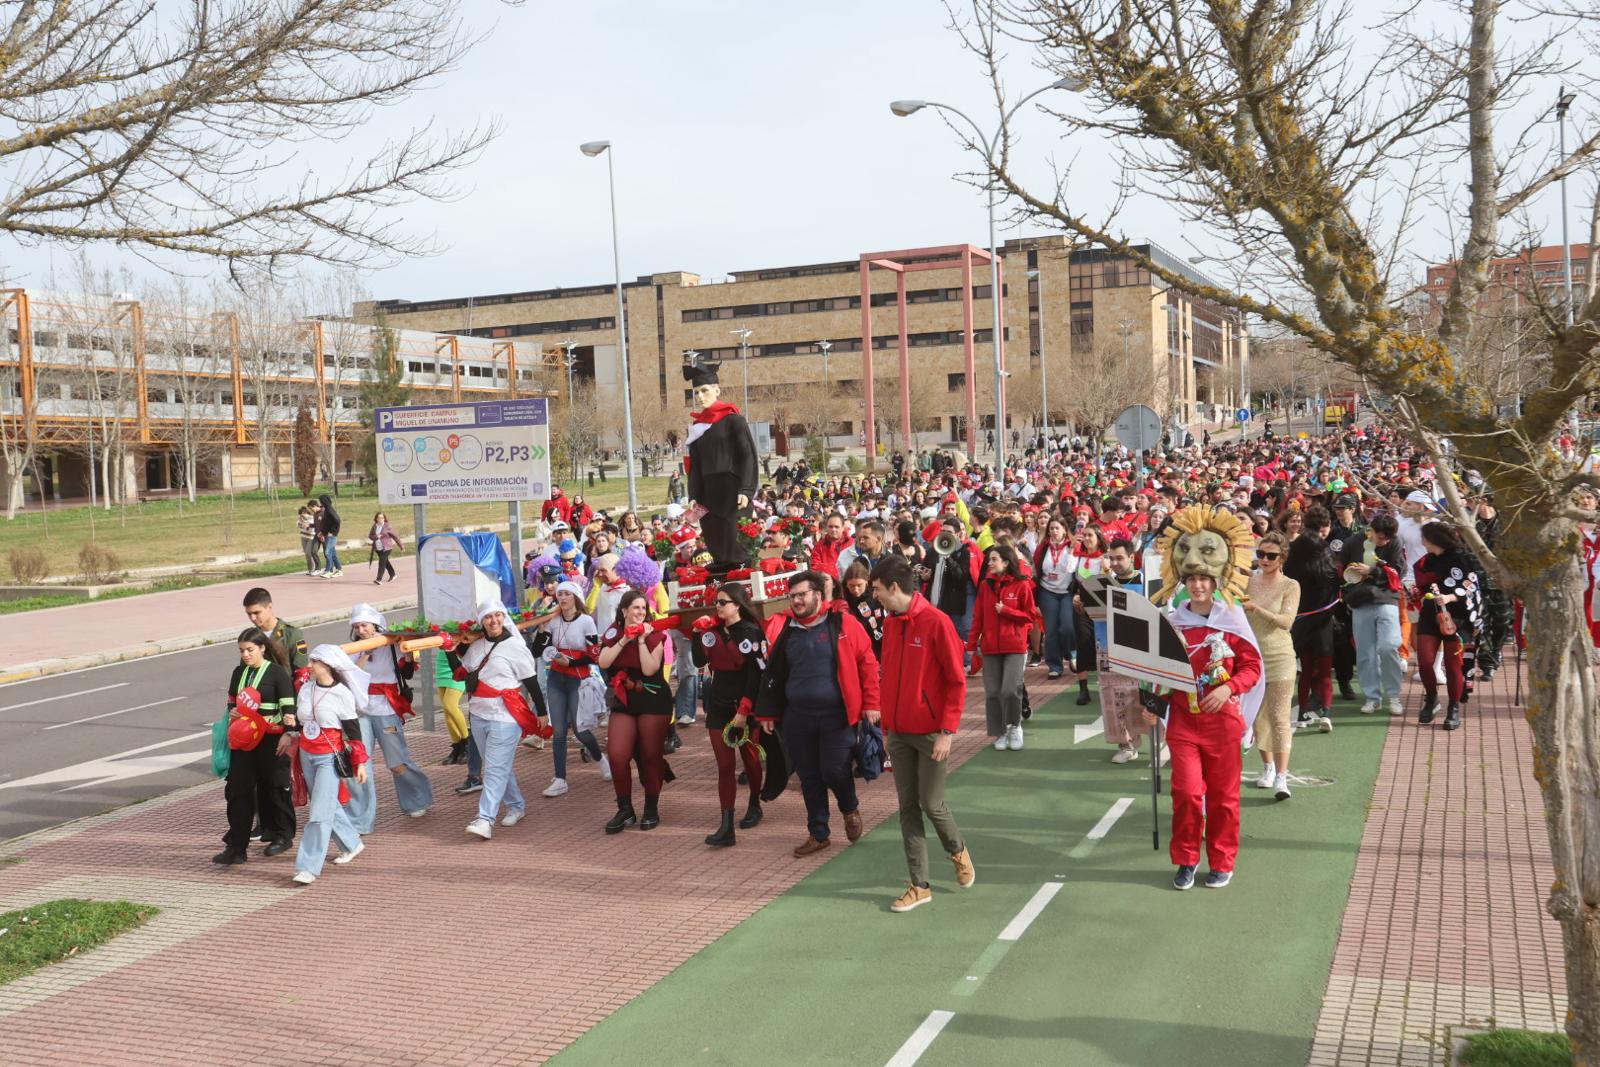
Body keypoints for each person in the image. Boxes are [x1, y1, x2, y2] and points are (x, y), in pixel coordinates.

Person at [870, 557, 974, 912]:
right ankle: (920, 885)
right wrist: (887, 728)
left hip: (931, 733)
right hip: (898, 733)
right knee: (907, 808)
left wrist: (947, 730)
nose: (875, 596)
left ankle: (957, 850)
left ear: (894, 587)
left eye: (877, 589)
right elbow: (888, 678)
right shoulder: (892, 624)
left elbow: (956, 681)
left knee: (932, 804)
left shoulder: (936, 622)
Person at [755, 569, 881, 858]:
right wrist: (768, 712)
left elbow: (868, 663)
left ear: (818, 594)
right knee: (809, 777)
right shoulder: (787, 631)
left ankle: (849, 808)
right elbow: (773, 674)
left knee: (835, 770)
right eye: (793, 596)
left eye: (802, 595)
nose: (797, 601)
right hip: (798, 717)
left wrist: (872, 703)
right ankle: (818, 833)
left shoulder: (843, 623)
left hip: (837, 715)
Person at [446, 600, 545, 840]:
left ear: (503, 617)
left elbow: (531, 682)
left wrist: (542, 712)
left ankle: (485, 819)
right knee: (498, 765)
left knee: (493, 768)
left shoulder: (515, 647)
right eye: (488, 618)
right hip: (479, 714)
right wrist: (450, 650)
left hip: (505, 716)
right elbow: (461, 674)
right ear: (482, 622)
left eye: (498, 616)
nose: (494, 621)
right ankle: (516, 805)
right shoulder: (477, 646)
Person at [689, 582, 767, 847]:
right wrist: (695, 634)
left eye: (723, 602)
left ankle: (755, 803)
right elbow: (700, 661)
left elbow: (756, 674)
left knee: (751, 760)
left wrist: (744, 710)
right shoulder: (711, 631)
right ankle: (726, 825)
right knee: (725, 766)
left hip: (745, 704)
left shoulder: (751, 631)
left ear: (737, 605)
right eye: (717, 602)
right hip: (719, 703)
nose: (718, 606)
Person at [287, 645, 371, 884]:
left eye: (314, 661)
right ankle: (352, 843)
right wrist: (292, 722)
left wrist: (360, 764)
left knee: (318, 814)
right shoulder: (305, 689)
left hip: (328, 757)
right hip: (306, 754)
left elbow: (353, 733)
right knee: (326, 805)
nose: (309, 665)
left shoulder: (342, 694)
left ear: (327, 664)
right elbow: (302, 722)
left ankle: (308, 867)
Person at [345, 604, 433, 829]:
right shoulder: (355, 648)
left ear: (375, 624)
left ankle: (417, 799)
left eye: (364, 625)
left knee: (396, 763)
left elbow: (406, 671)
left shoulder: (391, 643)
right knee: (359, 763)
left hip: (386, 710)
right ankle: (361, 820)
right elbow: (351, 674)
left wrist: (409, 654)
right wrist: (366, 652)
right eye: (357, 626)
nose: (361, 630)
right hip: (360, 711)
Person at [214, 627, 297, 865]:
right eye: (242, 651)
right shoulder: (239, 673)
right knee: (238, 790)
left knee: (274, 787)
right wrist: (233, 711)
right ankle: (237, 847)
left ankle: (282, 835)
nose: (246, 655)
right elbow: (231, 701)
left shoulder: (276, 673)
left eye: (250, 650)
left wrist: (288, 734)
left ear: (262, 648)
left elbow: (289, 709)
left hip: (272, 738)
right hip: (244, 739)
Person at [596, 590, 675, 832]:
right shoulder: (614, 632)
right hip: (625, 699)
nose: (640, 612)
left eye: (643, 608)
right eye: (635, 608)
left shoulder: (657, 635)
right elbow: (603, 662)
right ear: (624, 611)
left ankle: (651, 807)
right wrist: (624, 639)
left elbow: (650, 669)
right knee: (618, 754)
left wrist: (640, 639)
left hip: (652, 698)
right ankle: (625, 809)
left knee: (650, 755)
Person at [241, 587, 306, 843]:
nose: (253, 618)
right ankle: (262, 822)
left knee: (281, 773)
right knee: (257, 771)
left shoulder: (291, 634)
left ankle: (282, 827)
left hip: (284, 709)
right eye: (248, 614)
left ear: (270, 607)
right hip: (257, 712)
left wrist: (293, 715)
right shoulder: (251, 638)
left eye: (257, 612)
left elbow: (300, 673)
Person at [683, 361, 758, 569]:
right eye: (696, 393)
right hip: (708, 494)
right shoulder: (698, 428)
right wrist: (693, 496)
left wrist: (746, 489)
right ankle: (722, 570)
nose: (699, 397)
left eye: (704, 390)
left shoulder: (734, 420)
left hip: (732, 491)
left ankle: (741, 571)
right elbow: (695, 467)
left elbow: (747, 457)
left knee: (735, 540)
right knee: (715, 537)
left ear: (717, 390)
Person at [537, 580, 610, 797]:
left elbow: (594, 654)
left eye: (567, 594)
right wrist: (541, 632)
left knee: (580, 730)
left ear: (576, 598)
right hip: (556, 678)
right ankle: (560, 779)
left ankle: (601, 759)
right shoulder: (553, 620)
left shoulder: (587, 621)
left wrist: (572, 662)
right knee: (559, 730)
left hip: (578, 679)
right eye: (560, 594)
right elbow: (537, 650)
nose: (562, 598)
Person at [1243, 532, 1300, 799]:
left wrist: (1256, 609)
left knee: (1279, 717)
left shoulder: (1290, 585)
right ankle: (1266, 768)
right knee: (1256, 716)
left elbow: (1286, 621)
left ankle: (1281, 777)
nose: (1264, 559)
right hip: (1251, 657)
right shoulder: (1248, 582)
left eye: (1271, 555)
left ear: (1282, 558)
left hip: (1280, 657)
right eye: (1261, 554)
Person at [1412, 521, 1482, 731]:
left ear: (1434, 540)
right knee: (1424, 661)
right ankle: (1431, 699)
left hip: (1458, 619)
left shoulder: (1462, 559)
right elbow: (1420, 584)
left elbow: (1472, 587)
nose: (1422, 542)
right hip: (1430, 615)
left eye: (1424, 538)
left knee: (1453, 666)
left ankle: (1453, 708)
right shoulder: (1425, 562)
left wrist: (1450, 597)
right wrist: (1416, 592)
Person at [968, 544, 1036, 751]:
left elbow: (1030, 616)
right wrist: (971, 644)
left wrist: (1007, 611)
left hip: (1014, 645)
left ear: (1006, 562)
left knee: (1010, 690)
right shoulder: (985, 585)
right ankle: (999, 733)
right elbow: (977, 616)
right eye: (990, 559)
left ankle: (1015, 726)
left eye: (994, 559)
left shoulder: (1022, 585)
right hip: (990, 646)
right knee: (992, 692)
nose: (989, 563)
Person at [1338, 513, 1406, 715]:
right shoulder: (1353, 542)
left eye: (1387, 539)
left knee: (1389, 646)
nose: (1384, 541)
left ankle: (1394, 695)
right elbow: (1340, 569)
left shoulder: (1395, 542)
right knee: (1365, 653)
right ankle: (1372, 697)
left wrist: (1372, 571)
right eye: (1381, 537)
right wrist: (1349, 583)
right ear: (1372, 531)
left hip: (1387, 599)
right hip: (1360, 602)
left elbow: (1399, 571)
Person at [1096, 539, 1150, 764]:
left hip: (1141, 648)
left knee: (1144, 696)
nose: (1115, 563)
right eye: (1112, 558)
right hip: (1108, 646)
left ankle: (1157, 740)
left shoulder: (1147, 582)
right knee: (1113, 695)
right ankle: (1126, 744)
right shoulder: (1102, 584)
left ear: (1131, 557)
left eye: (1120, 558)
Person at [1285, 531, 1339, 732]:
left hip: (1301, 624)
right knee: (1325, 673)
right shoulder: (1329, 570)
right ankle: (1326, 712)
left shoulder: (1290, 570)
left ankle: (1302, 713)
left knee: (1305, 672)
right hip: (1324, 625)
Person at [435, 637, 470, 766]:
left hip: (456, 665)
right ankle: (457, 747)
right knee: (447, 711)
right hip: (441, 666)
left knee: (450, 706)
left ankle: (467, 743)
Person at [840, 559, 886, 657]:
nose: (856, 590)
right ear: (846, 584)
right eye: (851, 586)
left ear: (866, 581)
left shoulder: (875, 596)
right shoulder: (842, 599)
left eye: (859, 585)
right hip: (854, 647)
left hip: (876, 645)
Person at [368, 511, 402, 584]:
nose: (381, 519)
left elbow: (395, 536)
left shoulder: (387, 526)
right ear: (376, 519)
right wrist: (376, 536)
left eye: (382, 518)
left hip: (387, 547)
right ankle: (393, 574)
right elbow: (370, 536)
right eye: (379, 518)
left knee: (381, 562)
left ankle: (378, 579)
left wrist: (401, 546)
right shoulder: (374, 526)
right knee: (385, 562)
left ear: (384, 518)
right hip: (378, 548)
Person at [316, 492, 343, 578]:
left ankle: (329, 571)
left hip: (332, 535)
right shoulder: (327, 510)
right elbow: (326, 524)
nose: (320, 503)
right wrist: (322, 532)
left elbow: (337, 520)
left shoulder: (330, 510)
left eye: (321, 501)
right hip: (328, 534)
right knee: (333, 553)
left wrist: (333, 531)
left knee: (327, 552)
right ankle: (339, 570)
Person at [297, 504, 322, 575]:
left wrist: (306, 525)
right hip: (303, 537)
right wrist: (302, 524)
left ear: (307, 512)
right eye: (301, 513)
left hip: (311, 537)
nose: (303, 515)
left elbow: (312, 527)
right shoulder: (300, 518)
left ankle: (315, 568)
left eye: (304, 513)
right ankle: (310, 569)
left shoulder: (312, 518)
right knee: (306, 554)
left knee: (309, 553)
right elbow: (298, 525)